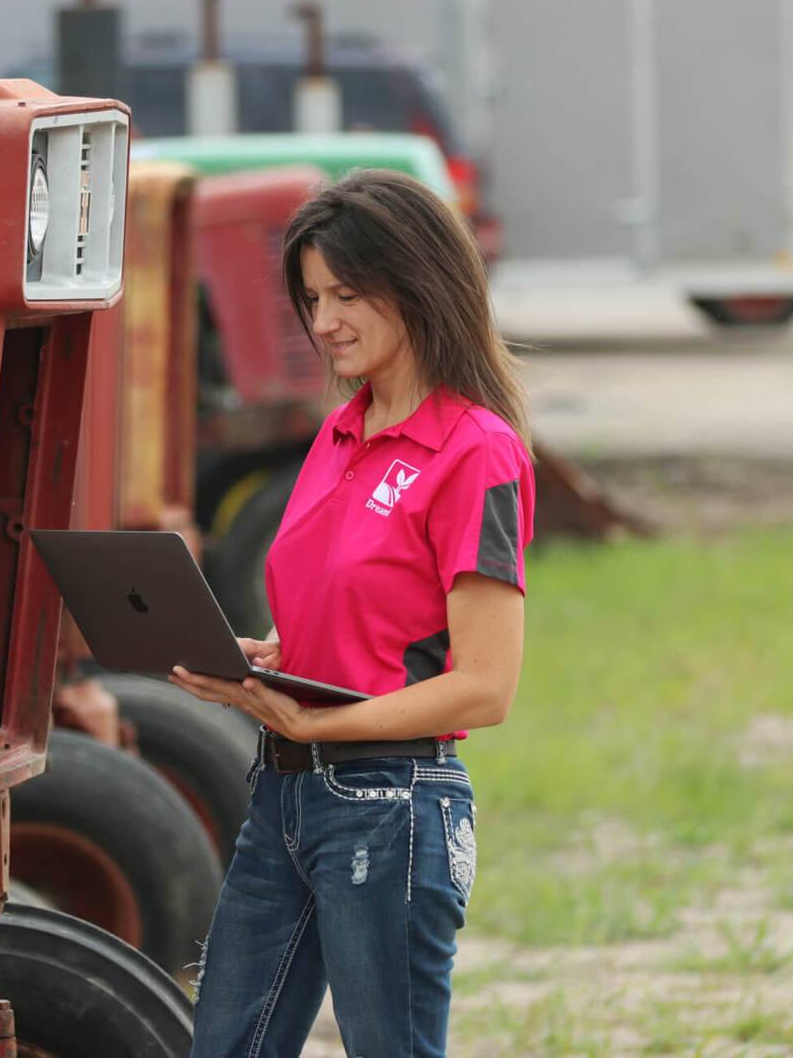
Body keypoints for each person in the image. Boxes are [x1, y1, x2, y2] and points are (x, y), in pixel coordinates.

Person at [168, 169, 535, 1058]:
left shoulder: (474, 451)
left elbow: (483, 687)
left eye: (346, 294)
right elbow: (361, 622)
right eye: (311, 296)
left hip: (392, 806)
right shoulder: (340, 434)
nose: (323, 319)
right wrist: (265, 658)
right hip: (284, 795)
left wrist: (324, 722)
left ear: (416, 284)